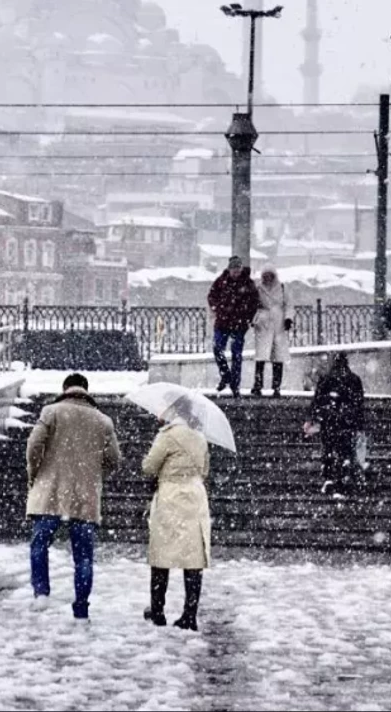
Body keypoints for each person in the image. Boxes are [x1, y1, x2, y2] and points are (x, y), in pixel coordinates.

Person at [26, 373, 122, 621]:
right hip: (85, 495)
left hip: (51, 490)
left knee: (39, 544)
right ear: (86, 391)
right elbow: (114, 459)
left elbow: (34, 446)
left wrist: (35, 473)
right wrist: (93, 474)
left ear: (65, 389)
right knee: (84, 556)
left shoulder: (51, 412)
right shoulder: (103, 421)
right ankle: (81, 608)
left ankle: (42, 592)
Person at [141, 395, 211, 632]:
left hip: (170, 495)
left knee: (162, 553)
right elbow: (204, 469)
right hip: (195, 496)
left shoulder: (167, 435)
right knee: (193, 557)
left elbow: (149, 467)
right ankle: (189, 614)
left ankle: (157, 611)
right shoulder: (200, 436)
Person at [304, 352, 367, 497]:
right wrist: (359, 425)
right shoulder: (354, 379)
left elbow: (317, 400)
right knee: (346, 452)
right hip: (347, 423)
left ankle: (330, 478)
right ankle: (343, 479)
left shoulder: (326, 379)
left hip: (330, 422)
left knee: (329, 450)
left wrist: (312, 418)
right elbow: (358, 404)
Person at [207, 256, 261, 398]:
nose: (236, 273)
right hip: (223, 322)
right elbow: (211, 295)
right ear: (229, 269)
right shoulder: (221, 281)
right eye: (233, 270)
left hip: (239, 324)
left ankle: (234, 385)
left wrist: (247, 317)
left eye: (238, 270)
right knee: (217, 348)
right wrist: (218, 307)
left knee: (236, 354)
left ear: (241, 269)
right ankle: (226, 375)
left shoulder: (248, 283)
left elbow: (254, 302)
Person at [251, 268, 294, 397]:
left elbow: (289, 304)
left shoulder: (282, 288)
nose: (268, 278)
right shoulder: (258, 288)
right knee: (261, 356)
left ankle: (276, 387)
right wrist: (254, 319)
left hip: (278, 324)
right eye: (265, 276)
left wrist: (288, 319)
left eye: (270, 276)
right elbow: (252, 304)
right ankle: (258, 385)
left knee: (278, 357)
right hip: (263, 324)